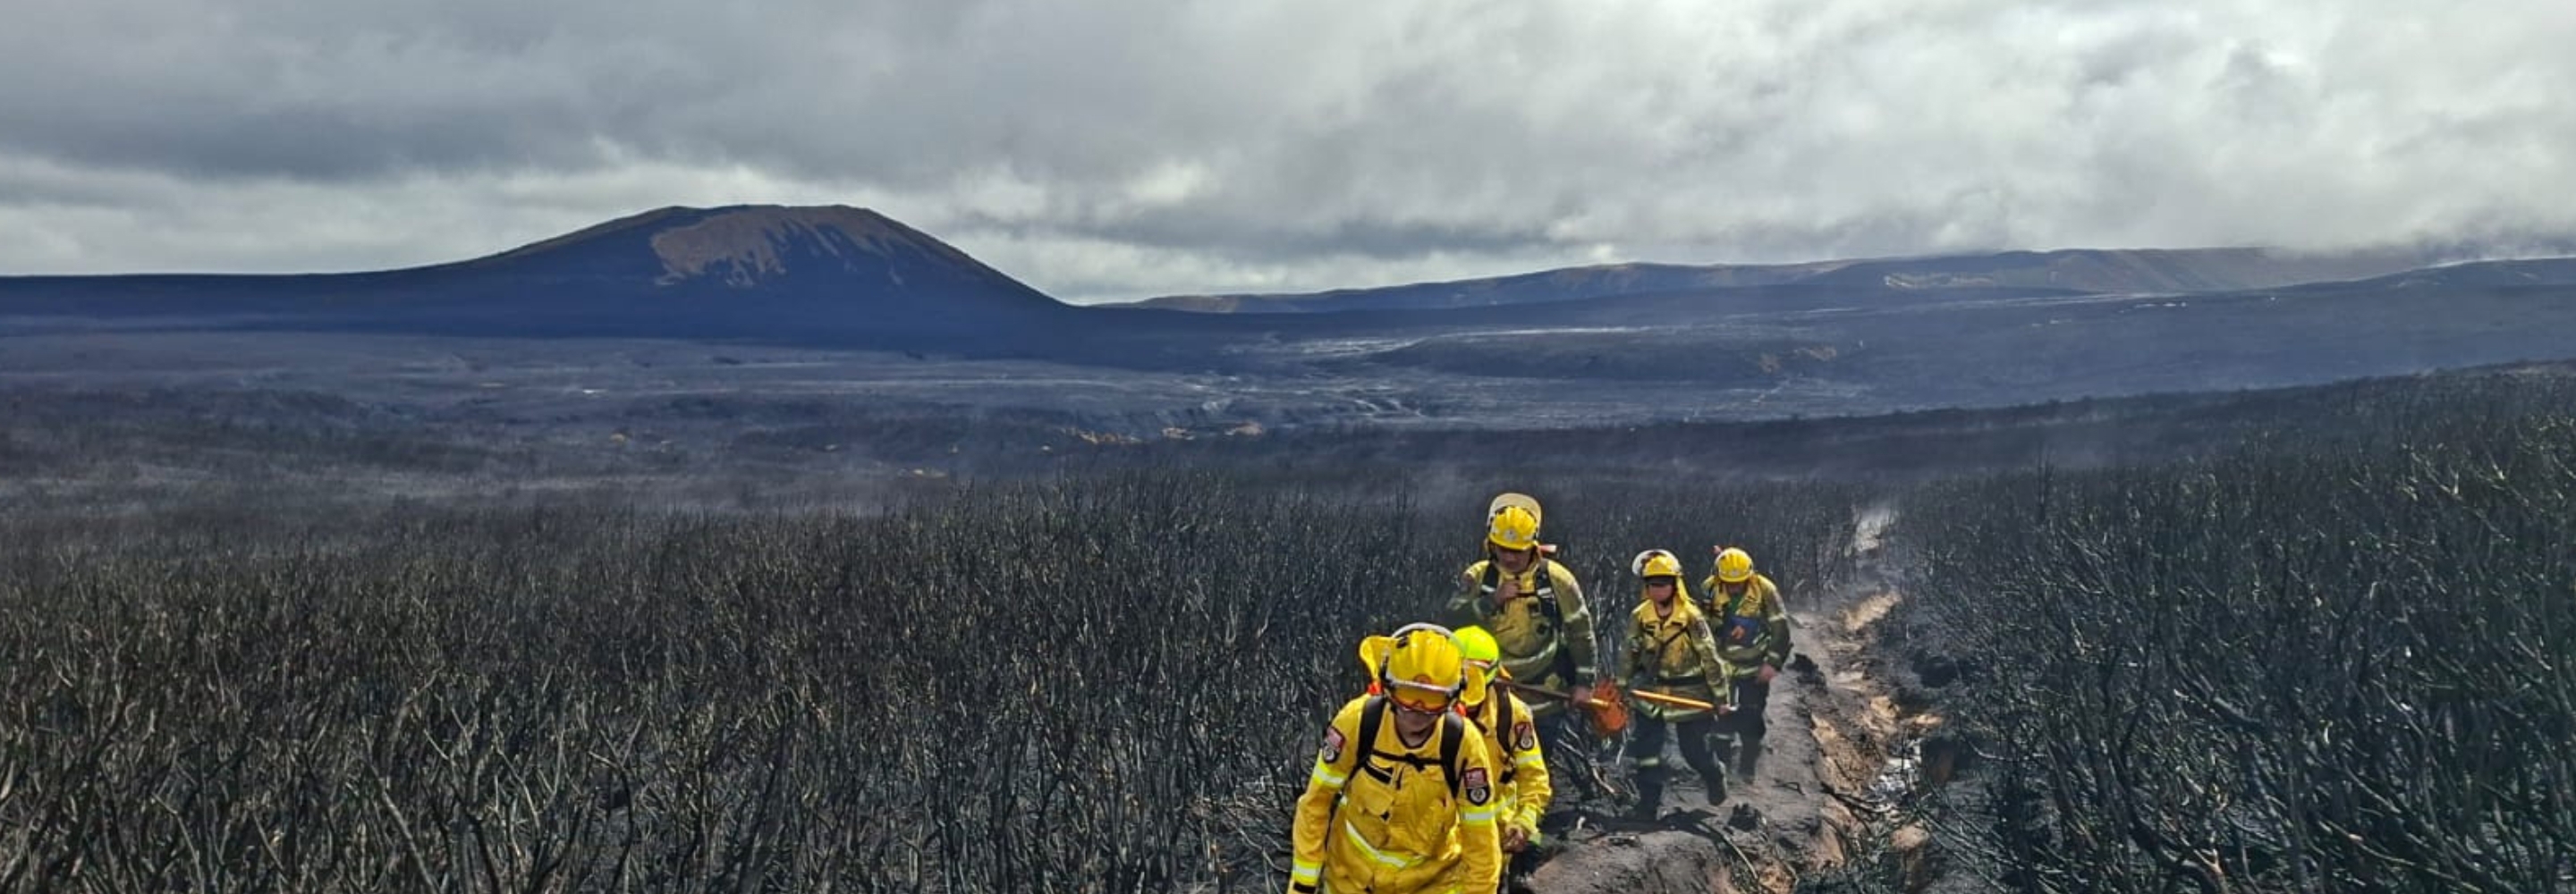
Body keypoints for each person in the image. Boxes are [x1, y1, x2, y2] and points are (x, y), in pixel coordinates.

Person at [1290, 624, 1504, 894]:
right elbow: (1315, 805)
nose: (1418, 709)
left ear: (1453, 698)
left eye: (1432, 700)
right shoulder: (1358, 722)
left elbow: (1481, 843)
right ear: (1387, 686)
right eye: (1408, 695)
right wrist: (1303, 885)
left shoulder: (1464, 745)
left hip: (1429, 884)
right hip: (1351, 880)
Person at [1444, 495, 1597, 766]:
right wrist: (1490, 601)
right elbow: (1451, 621)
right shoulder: (1479, 577)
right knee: (1489, 761)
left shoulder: (1557, 580)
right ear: (1491, 545)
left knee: (1535, 765)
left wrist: (1584, 683)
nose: (1510, 557)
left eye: (1518, 550)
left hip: (1545, 693)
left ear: (1534, 547)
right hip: (1490, 693)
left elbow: (1580, 632)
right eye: (1503, 549)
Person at [1622, 549, 1737, 816]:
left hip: (1691, 692)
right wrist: (1621, 684)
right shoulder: (1640, 616)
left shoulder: (1692, 617)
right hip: (1653, 692)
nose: (1657, 589)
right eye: (1651, 584)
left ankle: (1714, 774)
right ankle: (1648, 804)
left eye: (1662, 583)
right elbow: (1630, 653)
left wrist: (1721, 699)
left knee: (1693, 750)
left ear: (1675, 585)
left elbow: (1710, 659)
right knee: (1647, 750)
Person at [1455, 625, 1552, 887]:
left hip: (1496, 840)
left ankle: (1522, 873)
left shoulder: (1512, 715)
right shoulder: (1428, 714)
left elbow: (1534, 777)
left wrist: (1525, 820)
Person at [1703, 546, 1792, 776]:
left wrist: (1772, 663)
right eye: (1728, 583)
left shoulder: (1765, 590)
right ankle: (1720, 768)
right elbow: (1700, 627)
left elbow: (1780, 627)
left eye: (1739, 582)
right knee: (1719, 716)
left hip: (1754, 664)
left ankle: (1748, 767)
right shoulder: (1709, 589)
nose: (1733, 588)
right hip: (1721, 665)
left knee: (1752, 715)